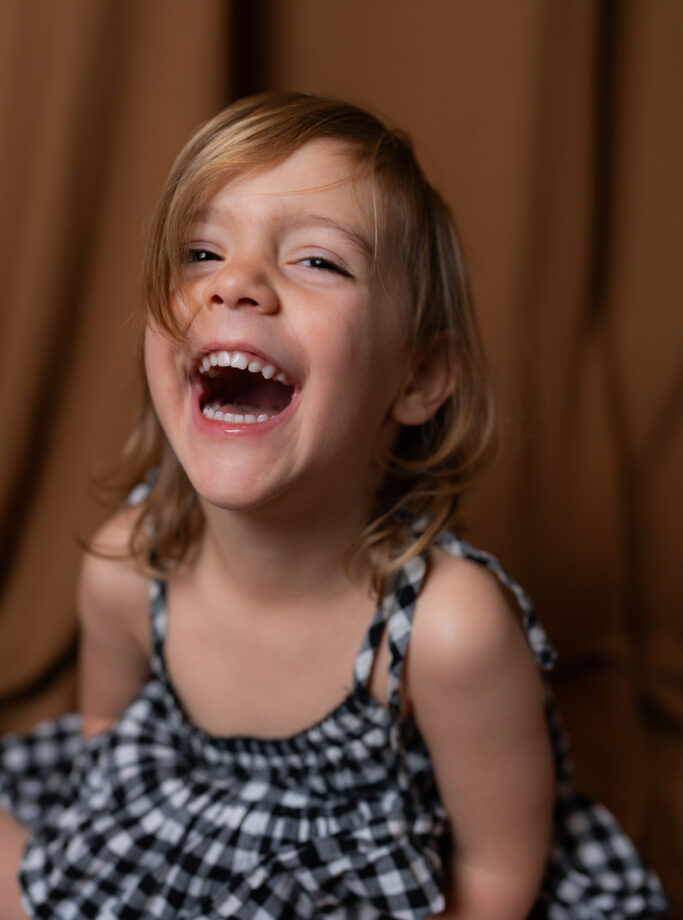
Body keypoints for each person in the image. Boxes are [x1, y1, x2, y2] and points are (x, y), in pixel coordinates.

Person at [0, 93, 669, 919]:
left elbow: (496, 873)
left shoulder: (446, 633)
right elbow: (104, 759)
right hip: (179, 848)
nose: (235, 285)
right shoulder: (129, 568)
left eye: (318, 261)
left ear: (417, 379)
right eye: (201, 251)